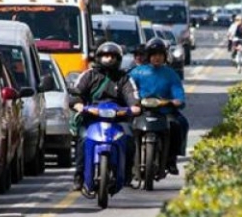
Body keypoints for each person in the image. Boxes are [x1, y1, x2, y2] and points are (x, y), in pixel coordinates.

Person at [69, 42, 141, 191]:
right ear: (98, 58)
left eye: (112, 57)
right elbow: (76, 94)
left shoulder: (124, 79)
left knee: (128, 139)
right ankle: (79, 176)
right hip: (91, 118)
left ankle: (127, 174)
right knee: (82, 140)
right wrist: (79, 105)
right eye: (105, 56)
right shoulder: (88, 75)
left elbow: (133, 98)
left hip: (118, 119)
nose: (108, 59)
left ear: (118, 59)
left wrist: (134, 107)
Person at [129, 38, 188, 175]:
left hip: (165, 112)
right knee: (125, 129)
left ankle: (171, 159)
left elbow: (178, 92)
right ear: (148, 56)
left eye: (160, 55)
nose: (157, 58)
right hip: (141, 111)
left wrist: (177, 100)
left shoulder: (171, 74)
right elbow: (127, 88)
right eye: (154, 54)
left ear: (165, 56)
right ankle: (127, 165)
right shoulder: (137, 72)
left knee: (178, 124)